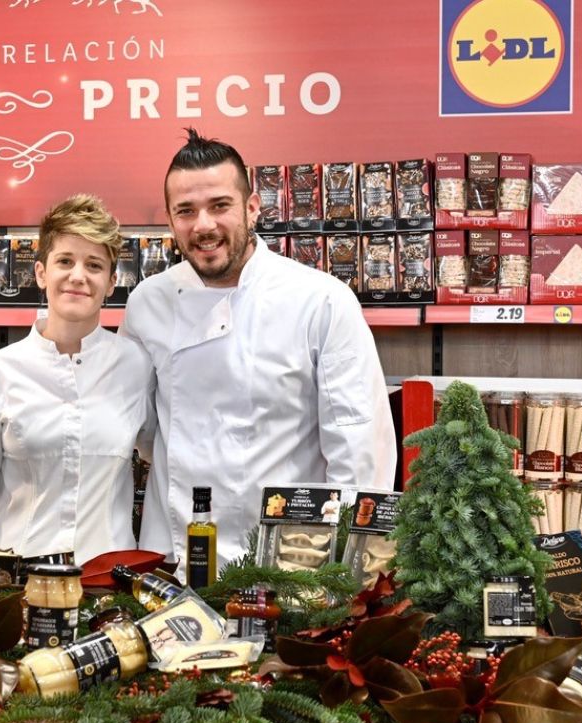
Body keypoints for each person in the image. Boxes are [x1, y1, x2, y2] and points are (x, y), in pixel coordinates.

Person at [121, 129, 397, 574]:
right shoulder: (147, 302)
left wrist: (344, 572)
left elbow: (359, 447)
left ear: (252, 208)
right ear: (171, 220)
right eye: (185, 211)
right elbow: (144, 430)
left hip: (289, 562)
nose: (203, 225)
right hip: (173, 556)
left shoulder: (320, 300)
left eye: (219, 206)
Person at [0, 195, 153, 565]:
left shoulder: (137, 367)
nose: (78, 276)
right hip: (20, 583)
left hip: (108, 584)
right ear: (42, 272)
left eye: (94, 265)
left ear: (111, 282)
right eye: (65, 261)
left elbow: (161, 453)